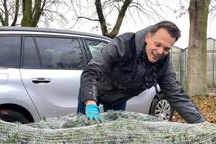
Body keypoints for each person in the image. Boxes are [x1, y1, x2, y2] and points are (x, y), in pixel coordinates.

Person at [77, 20, 206, 124]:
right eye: (158, 44)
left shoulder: (163, 66)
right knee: (84, 128)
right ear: (148, 37)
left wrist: (202, 124)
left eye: (166, 49)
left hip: (118, 99)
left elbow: (177, 96)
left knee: (114, 134)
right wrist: (90, 102)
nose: (160, 52)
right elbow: (91, 71)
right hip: (94, 93)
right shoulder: (123, 45)